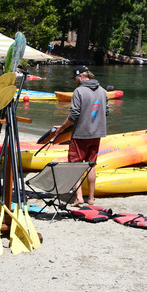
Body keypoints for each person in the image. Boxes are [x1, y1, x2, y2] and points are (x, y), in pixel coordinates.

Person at [53, 65, 109, 206]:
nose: (75, 81)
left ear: (81, 77)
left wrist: (62, 128)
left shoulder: (79, 91)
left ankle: (79, 198)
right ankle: (91, 199)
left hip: (81, 134)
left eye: (75, 78)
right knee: (91, 165)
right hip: (97, 134)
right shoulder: (103, 91)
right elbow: (106, 112)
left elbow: (74, 115)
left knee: (74, 165)